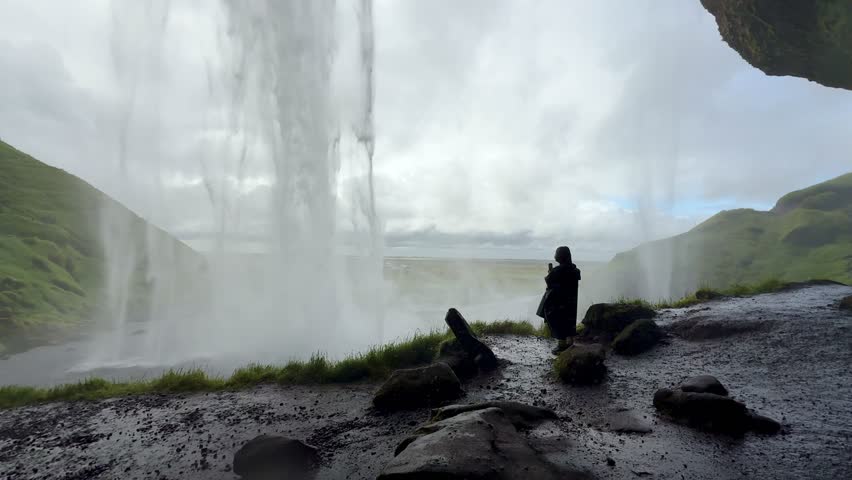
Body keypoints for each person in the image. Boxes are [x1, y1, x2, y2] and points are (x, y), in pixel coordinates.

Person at [536, 246, 581, 355]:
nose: (555, 255)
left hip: (559, 303)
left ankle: (562, 346)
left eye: (556, 253)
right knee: (569, 322)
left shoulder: (557, 270)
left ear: (561, 256)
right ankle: (569, 343)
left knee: (558, 321)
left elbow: (549, 281)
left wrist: (550, 272)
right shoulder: (575, 270)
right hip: (571, 302)